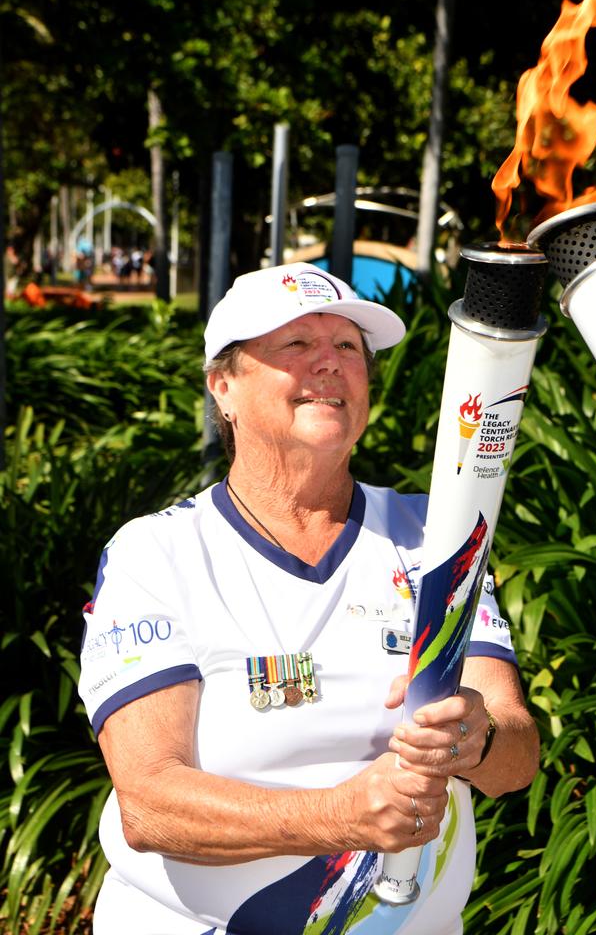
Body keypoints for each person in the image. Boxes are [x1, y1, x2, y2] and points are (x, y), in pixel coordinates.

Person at [78, 263, 539, 935]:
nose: (330, 364)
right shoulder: (159, 555)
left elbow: (516, 762)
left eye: (349, 347)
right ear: (223, 385)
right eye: (296, 344)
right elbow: (150, 805)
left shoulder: (435, 538)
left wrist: (478, 736)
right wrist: (341, 816)